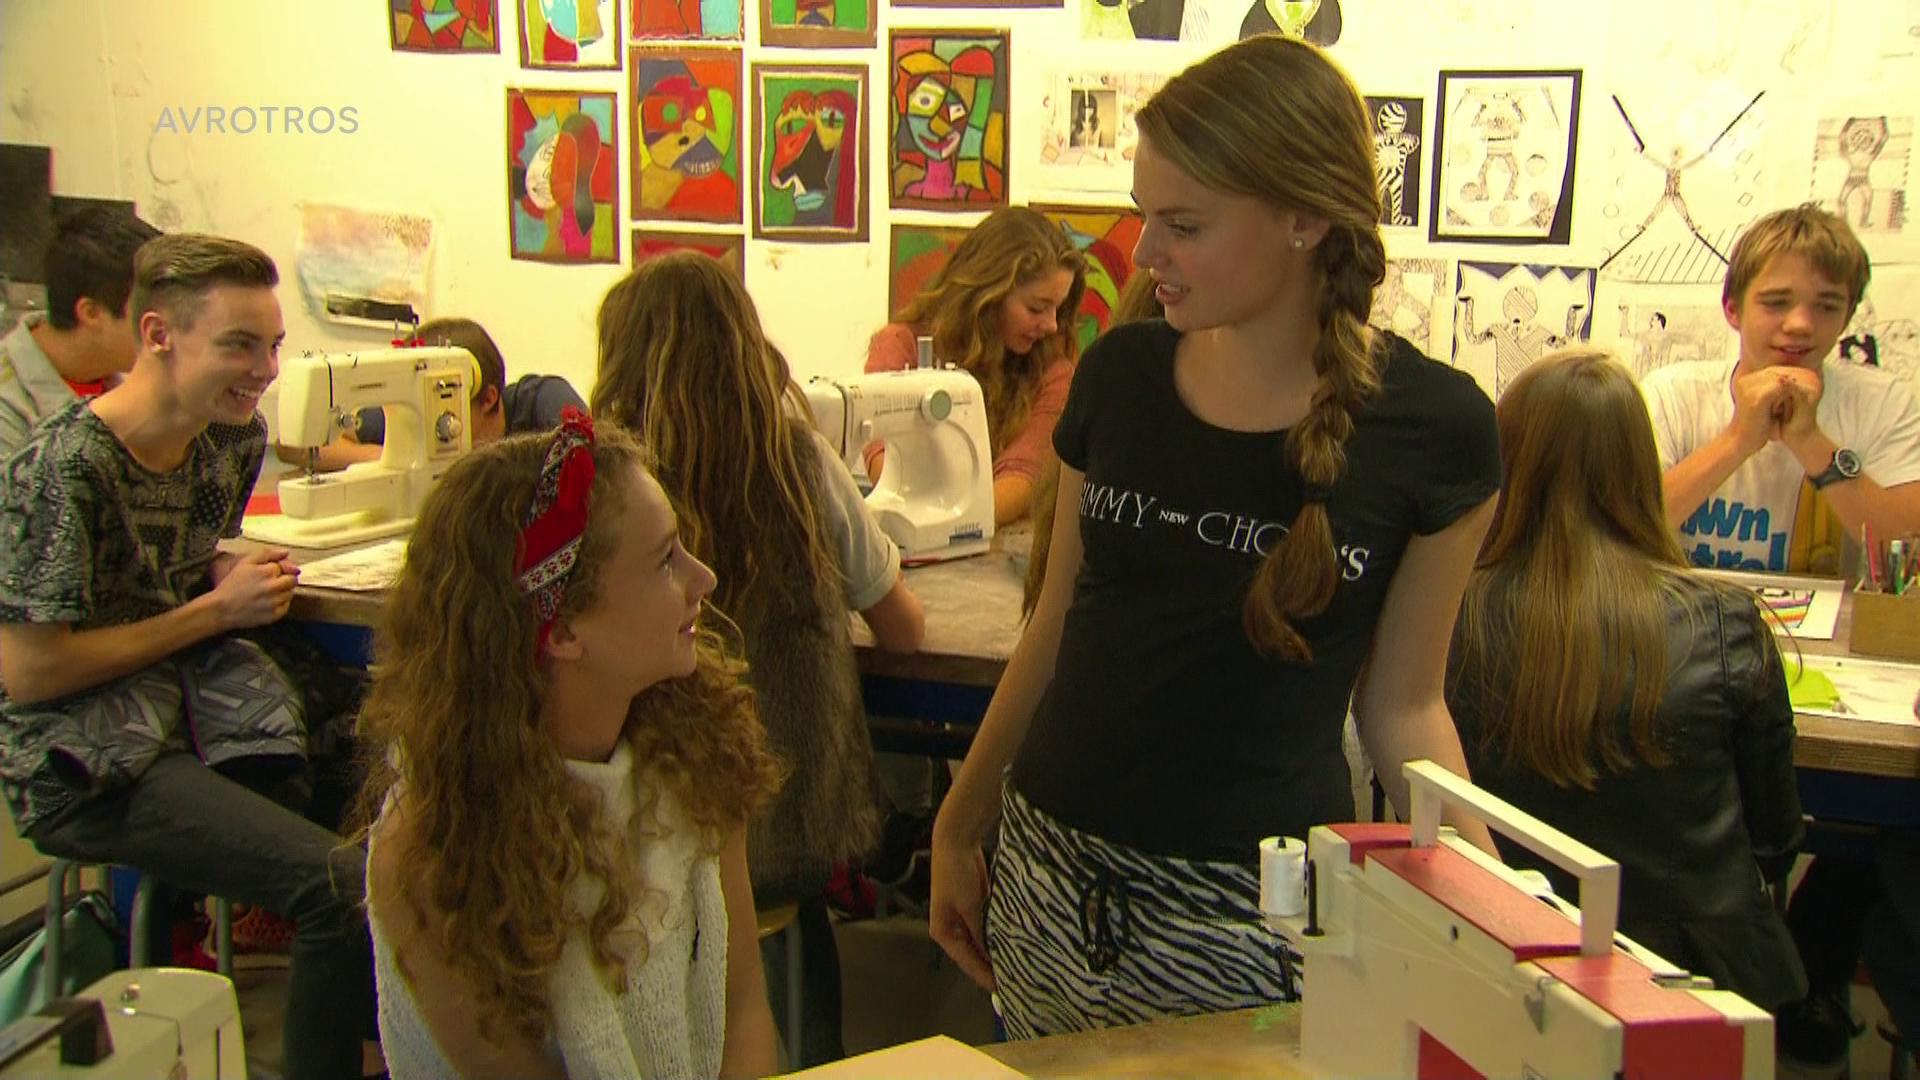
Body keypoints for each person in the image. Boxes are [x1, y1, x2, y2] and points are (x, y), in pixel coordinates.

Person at [929, 35, 1502, 1039]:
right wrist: (959, 821)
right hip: (1052, 877)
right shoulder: (1121, 377)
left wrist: (1501, 914)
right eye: (1145, 214)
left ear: (1304, 218)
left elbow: (1406, 707)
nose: (1144, 252)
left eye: (1183, 224)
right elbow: (1058, 624)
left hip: (1254, 912)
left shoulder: (1436, 430)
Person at [0, 233, 375, 1080]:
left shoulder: (226, 440)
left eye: (273, 346)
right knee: (336, 885)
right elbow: (30, 674)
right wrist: (210, 612)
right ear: (159, 335)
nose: (266, 370)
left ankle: (376, 1042)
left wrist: (219, 569)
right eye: (241, 346)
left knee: (394, 799)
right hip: (79, 753)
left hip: (180, 707)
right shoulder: (61, 471)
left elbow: (183, 554)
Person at [358, 414, 783, 1078]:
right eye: (665, 561)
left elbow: (746, 1008)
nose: (703, 578)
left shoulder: (696, 751)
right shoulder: (431, 852)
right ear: (560, 632)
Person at [593, 252, 924, 1065]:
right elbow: (904, 630)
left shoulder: (606, 494)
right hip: (789, 832)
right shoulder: (798, 463)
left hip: (641, 836)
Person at [1446, 347, 1805, 1012]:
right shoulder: (1723, 623)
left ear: (1505, 463)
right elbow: (1776, 843)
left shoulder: (1447, 615)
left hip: (1501, 967)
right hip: (1694, 989)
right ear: (1641, 470)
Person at [1643, 204, 1920, 575]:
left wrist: (1810, 441)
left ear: (1847, 318)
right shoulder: (1672, 395)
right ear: (1733, 310)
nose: (1801, 324)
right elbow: (1617, 535)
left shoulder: (1883, 402)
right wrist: (1738, 439)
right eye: (1776, 303)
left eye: (1827, 306)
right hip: (1688, 610)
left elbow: (1906, 556)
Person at [866, 206, 1087, 525]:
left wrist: (946, 528)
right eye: (1037, 308)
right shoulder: (900, 346)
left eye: (1058, 308)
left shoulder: (1053, 372)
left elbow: (1023, 474)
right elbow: (882, 458)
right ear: (987, 296)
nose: (1052, 325)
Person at [275, 316, 586, 470]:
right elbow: (292, 447)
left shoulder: (543, 402)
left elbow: (594, 460)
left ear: (489, 398)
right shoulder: (417, 414)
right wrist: (388, 461)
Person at [0, 205, 160, 456]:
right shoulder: (10, 415)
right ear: (92, 313)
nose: (168, 327)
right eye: (152, 311)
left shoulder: (129, 371)